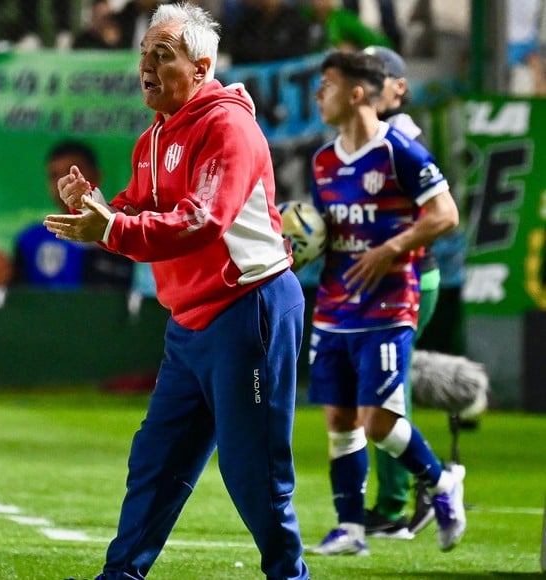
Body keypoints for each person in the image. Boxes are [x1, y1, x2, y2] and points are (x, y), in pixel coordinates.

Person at [45, 4, 309, 578]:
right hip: (190, 322)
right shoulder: (153, 139)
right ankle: (121, 576)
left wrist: (111, 228)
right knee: (157, 458)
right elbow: (133, 209)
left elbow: (202, 221)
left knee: (252, 472)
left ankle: (290, 576)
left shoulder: (228, 126)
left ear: (201, 67)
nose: (146, 65)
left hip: (248, 310)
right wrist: (95, 207)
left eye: (162, 55)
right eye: (144, 52)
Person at [308, 49, 464, 556]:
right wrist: (301, 240)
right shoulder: (323, 160)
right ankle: (350, 527)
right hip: (336, 304)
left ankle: (441, 483)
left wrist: (392, 248)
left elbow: (445, 214)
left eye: (326, 84)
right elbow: (326, 231)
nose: (318, 95)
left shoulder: (400, 150)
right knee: (339, 419)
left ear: (356, 93)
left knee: (377, 421)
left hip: (390, 302)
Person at [360, 44, 439, 540]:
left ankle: (409, 495)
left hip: (406, 279)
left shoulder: (401, 135)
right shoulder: (364, 133)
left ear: (398, 88)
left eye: (374, 76)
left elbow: (434, 211)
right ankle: (404, 495)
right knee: (380, 387)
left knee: (382, 389)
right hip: (380, 280)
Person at [0, 140, 134, 300]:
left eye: (72, 173)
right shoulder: (31, 240)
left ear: (96, 176)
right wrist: (2, 285)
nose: (62, 183)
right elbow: (15, 305)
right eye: (54, 175)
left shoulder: (123, 235)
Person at [223, 0, 313, 65]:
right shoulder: (246, 23)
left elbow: (300, 58)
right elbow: (238, 56)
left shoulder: (296, 22)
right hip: (254, 85)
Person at [300, 0, 392, 53]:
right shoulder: (301, 18)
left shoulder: (344, 20)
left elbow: (382, 44)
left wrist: (359, 52)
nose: (317, 2)